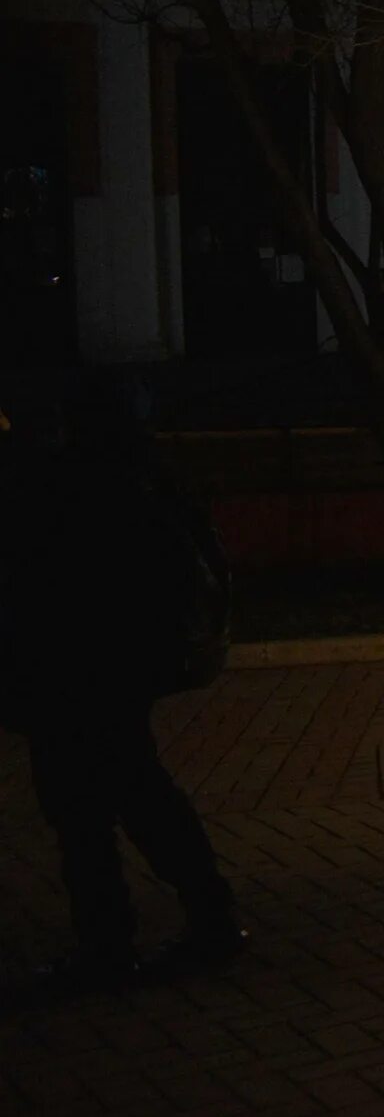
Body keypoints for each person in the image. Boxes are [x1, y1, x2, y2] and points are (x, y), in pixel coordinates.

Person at [0, 373, 245, 1003]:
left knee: (88, 812)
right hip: (117, 672)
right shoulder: (142, 476)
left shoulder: (65, 485)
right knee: (135, 794)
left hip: (75, 675)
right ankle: (202, 918)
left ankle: (114, 944)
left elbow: (40, 583)